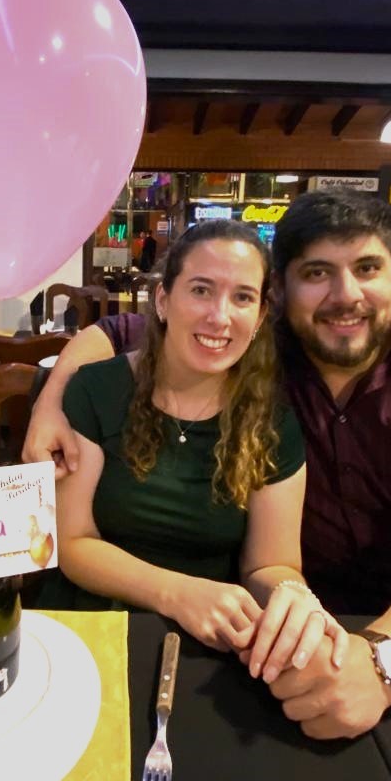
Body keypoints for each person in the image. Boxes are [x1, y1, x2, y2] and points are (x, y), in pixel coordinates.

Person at [25, 191, 391, 740]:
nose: (346, 295)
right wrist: (51, 396)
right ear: (284, 293)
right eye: (317, 272)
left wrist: (377, 659)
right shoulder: (253, 346)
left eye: (367, 268)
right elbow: (129, 335)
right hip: (271, 638)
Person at [52, 218, 349, 672]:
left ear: (260, 317)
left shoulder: (273, 420)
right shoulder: (97, 390)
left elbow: (270, 565)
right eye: (201, 290)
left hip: (205, 643)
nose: (220, 316)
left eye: (243, 297)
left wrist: (293, 597)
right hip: (91, 623)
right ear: (163, 300)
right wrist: (177, 593)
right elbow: (73, 544)